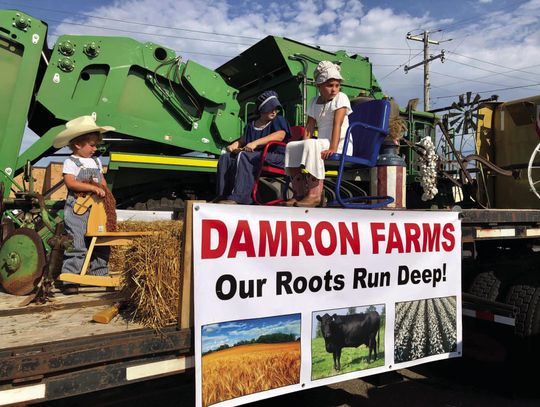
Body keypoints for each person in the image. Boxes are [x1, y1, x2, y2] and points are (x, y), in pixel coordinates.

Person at [53, 115, 115, 295]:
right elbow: (71, 183)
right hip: (78, 209)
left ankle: (99, 273)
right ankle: (70, 278)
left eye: (96, 144)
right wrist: (92, 188)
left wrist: (106, 194)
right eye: (92, 145)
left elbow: (102, 181)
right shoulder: (71, 162)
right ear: (78, 144)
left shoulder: (96, 161)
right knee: (77, 242)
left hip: (97, 208)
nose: (95, 148)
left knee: (100, 239)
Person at [284, 61, 352, 207]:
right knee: (291, 146)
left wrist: (333, 148)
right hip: (322, 143)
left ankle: (315, 194)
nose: (334, 89)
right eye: (330, 85)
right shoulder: (314, 101)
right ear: (319, 86)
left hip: (340, 142)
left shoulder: (341, 98)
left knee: (312, 143)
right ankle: (299, 192)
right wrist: (303, 146)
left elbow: (337, 125)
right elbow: (309, 127)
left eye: (337, 85)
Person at [215, 90, 291, 204]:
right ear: (262, 109)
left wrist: (255, 143)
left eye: (276, 108)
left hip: (276, 156)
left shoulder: (278, 120)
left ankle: (240, 197)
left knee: (244, 156)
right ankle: (222, 196)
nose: (274, 111)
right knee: (225, 158)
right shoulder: (251, 125)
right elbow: (242, 140)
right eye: (271, 108)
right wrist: (233, 146)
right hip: (256, 156)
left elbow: (280, 136)